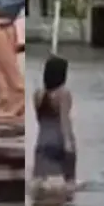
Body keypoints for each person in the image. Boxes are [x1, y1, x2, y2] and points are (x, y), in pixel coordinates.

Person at [32, 55, 77, 188]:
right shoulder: (63, 94)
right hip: (60, 142)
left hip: (42, 142)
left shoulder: (38, 94)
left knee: (40, 184)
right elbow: (65, 120)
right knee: (67, 187)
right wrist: (69, 145)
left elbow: (39, 119)